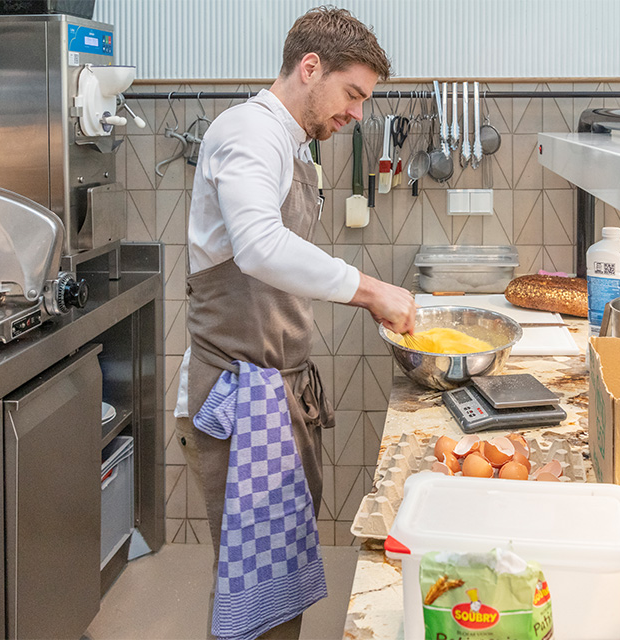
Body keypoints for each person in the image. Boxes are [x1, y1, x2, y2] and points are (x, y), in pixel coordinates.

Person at [174, 7, 415, 639]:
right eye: (352, 94)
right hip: (240, 393)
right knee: (255, 597)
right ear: (311, 68)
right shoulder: (249, 134)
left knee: (276, 583)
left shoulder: (292, 143)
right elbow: (257, 246)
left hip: (276, 387)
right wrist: (371, 292)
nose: (358, 113)